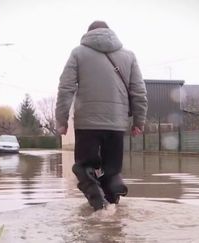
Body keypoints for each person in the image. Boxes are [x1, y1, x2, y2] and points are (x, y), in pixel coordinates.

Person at [55, 20, 148, 211]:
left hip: (87, 124)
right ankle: (112, 202)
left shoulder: (78, 53)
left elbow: (66, 88)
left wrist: (61, 120)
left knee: (84, 167)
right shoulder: (129, 56)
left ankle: (97, 199)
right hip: (116, 125)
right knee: (111, 171)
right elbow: (139, 92)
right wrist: (139, 121)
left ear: (88, 34)